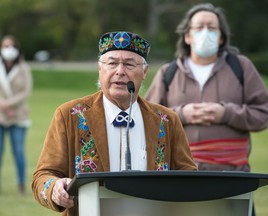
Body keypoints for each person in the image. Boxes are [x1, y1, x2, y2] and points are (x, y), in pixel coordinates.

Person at [32, 31, 197, 216]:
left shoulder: (166, 120)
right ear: (100, 69)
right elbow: (42, 176)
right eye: (111, 63)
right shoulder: (69, 115)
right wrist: (54, 188)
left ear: (144, 72)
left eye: (129, 64)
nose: (120, 71)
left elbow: (188, 176)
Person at [145, 4, 268, 215]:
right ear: (187, 36)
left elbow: (263, 115)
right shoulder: (169, 73)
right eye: (199, 27)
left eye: (212, 28)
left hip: (232, 178)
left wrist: (227, 113)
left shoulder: (241, 67)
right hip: (178, 178)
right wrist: (182, 114)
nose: (206, 32)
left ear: (222, 37)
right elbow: (147, 120)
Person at [0, 35, 33, 195]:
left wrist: (9, 104)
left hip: (18, 115)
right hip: (0, 114)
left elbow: (26, 91)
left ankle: (21, 185)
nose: (8, 49)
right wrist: (3, 104)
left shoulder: (23, 68)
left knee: (18, 151)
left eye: (11, 46)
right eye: (5, 46)